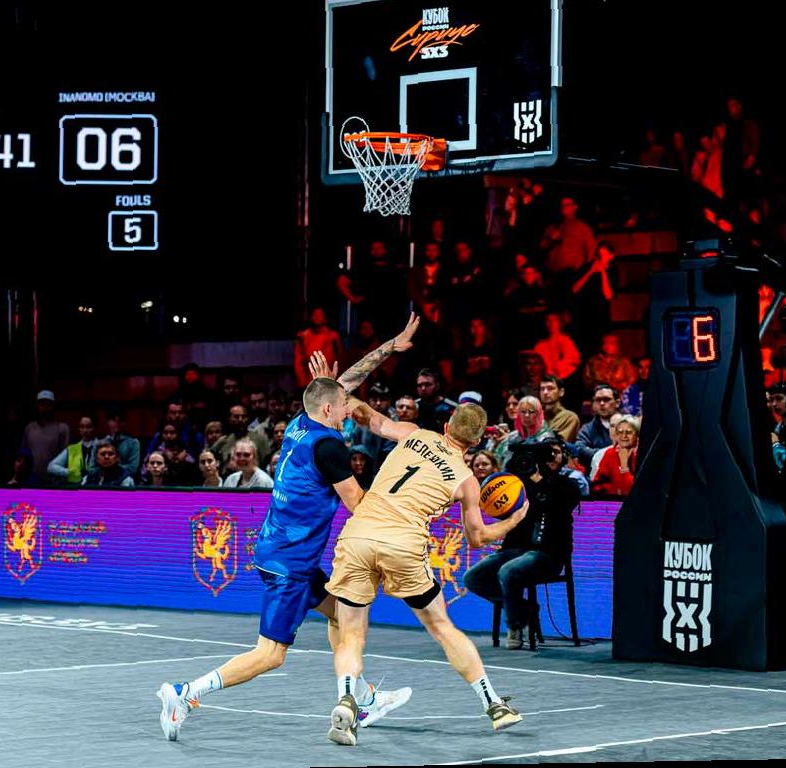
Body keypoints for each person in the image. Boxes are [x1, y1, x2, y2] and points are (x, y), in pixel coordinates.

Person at [156, 314, 421, 742]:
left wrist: (391, 345)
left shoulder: (303, 421)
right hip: (290, 566)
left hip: (279, 551)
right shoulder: (330, 447)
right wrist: (408, 503)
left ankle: (362, 698)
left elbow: (344, 382)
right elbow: (359, 505)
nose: (350, 412)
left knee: (344, 614)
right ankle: (185, 694)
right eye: (345, 407)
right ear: (329, 409)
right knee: (270, 654)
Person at [319, 385, 529, 745]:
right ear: (477, 441)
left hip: (358, 535)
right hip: (403, 544)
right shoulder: (466, 480)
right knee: (442, 626)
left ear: (446, 425)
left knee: (350, 632)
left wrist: (339, 391)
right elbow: (477, 538)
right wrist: (513, 520)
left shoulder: (414, 433)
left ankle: (347, 701)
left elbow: (367, 416)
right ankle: (494, 704)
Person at [464, 436, 580, 649]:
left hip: (548, 554)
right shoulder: (517, 485)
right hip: (513, 550)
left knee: (508, 571)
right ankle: (525, 610)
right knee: (473, 578)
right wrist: (514, 464)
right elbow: (499, 507)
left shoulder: (568, 483)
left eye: (555, 453)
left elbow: (561, 502)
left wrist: (540, 478)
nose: (551, 457)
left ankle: (515, 625)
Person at [46, 415, 99, 484]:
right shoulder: (72, 449)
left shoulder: (101, 446)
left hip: (96, 486)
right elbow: (51, 467)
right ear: (79, 429)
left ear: (94, 428)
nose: (85, 430)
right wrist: (69, 472)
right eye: (82, 427)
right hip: (75, 487)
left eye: (88, 427)